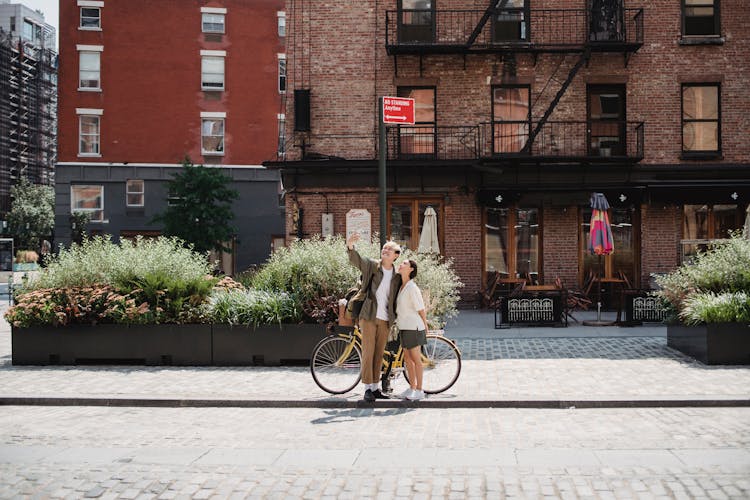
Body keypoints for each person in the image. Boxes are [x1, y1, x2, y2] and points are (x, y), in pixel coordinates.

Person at [346, 233, 401, 402]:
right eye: (384, 248)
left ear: (396, 255)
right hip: (369, 315)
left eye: (389, 249)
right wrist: (350, 246)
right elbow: (357, 261)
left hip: (385, 319)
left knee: (379, 353)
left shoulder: (397, 275)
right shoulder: (372, 266)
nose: (385, 250)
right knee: (368, 351)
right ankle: (367, 388)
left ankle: (376, 388)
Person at [395, 259, 428, 401]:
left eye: (404, 264)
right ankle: (412, 387)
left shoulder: (412, 287)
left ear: (411, 269)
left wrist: (425, 324)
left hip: (413, 327)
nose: (400, 264)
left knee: (415, 359)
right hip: (403, 326)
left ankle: (420, 390)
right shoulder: (402, 286)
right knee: (407, 359)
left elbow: (420, 308)